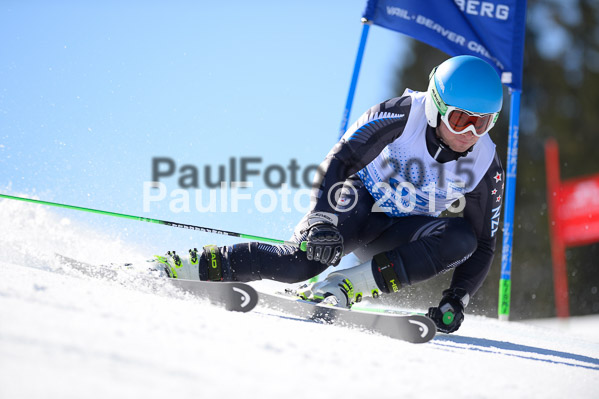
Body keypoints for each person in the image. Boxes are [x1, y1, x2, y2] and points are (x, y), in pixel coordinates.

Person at [160, 55, 505, 334]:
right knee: (298, 264)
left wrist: (458, 297)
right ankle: (187, 266)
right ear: (436, 107)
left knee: (462, 239)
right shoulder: (401, 115)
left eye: (484, 122)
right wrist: (321, 220)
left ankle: (344, 287)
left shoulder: (485, 164)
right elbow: (338, 162)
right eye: (461, 120)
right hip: (356, 203)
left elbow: (485, 241)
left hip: (401, 232)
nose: (471, 133)